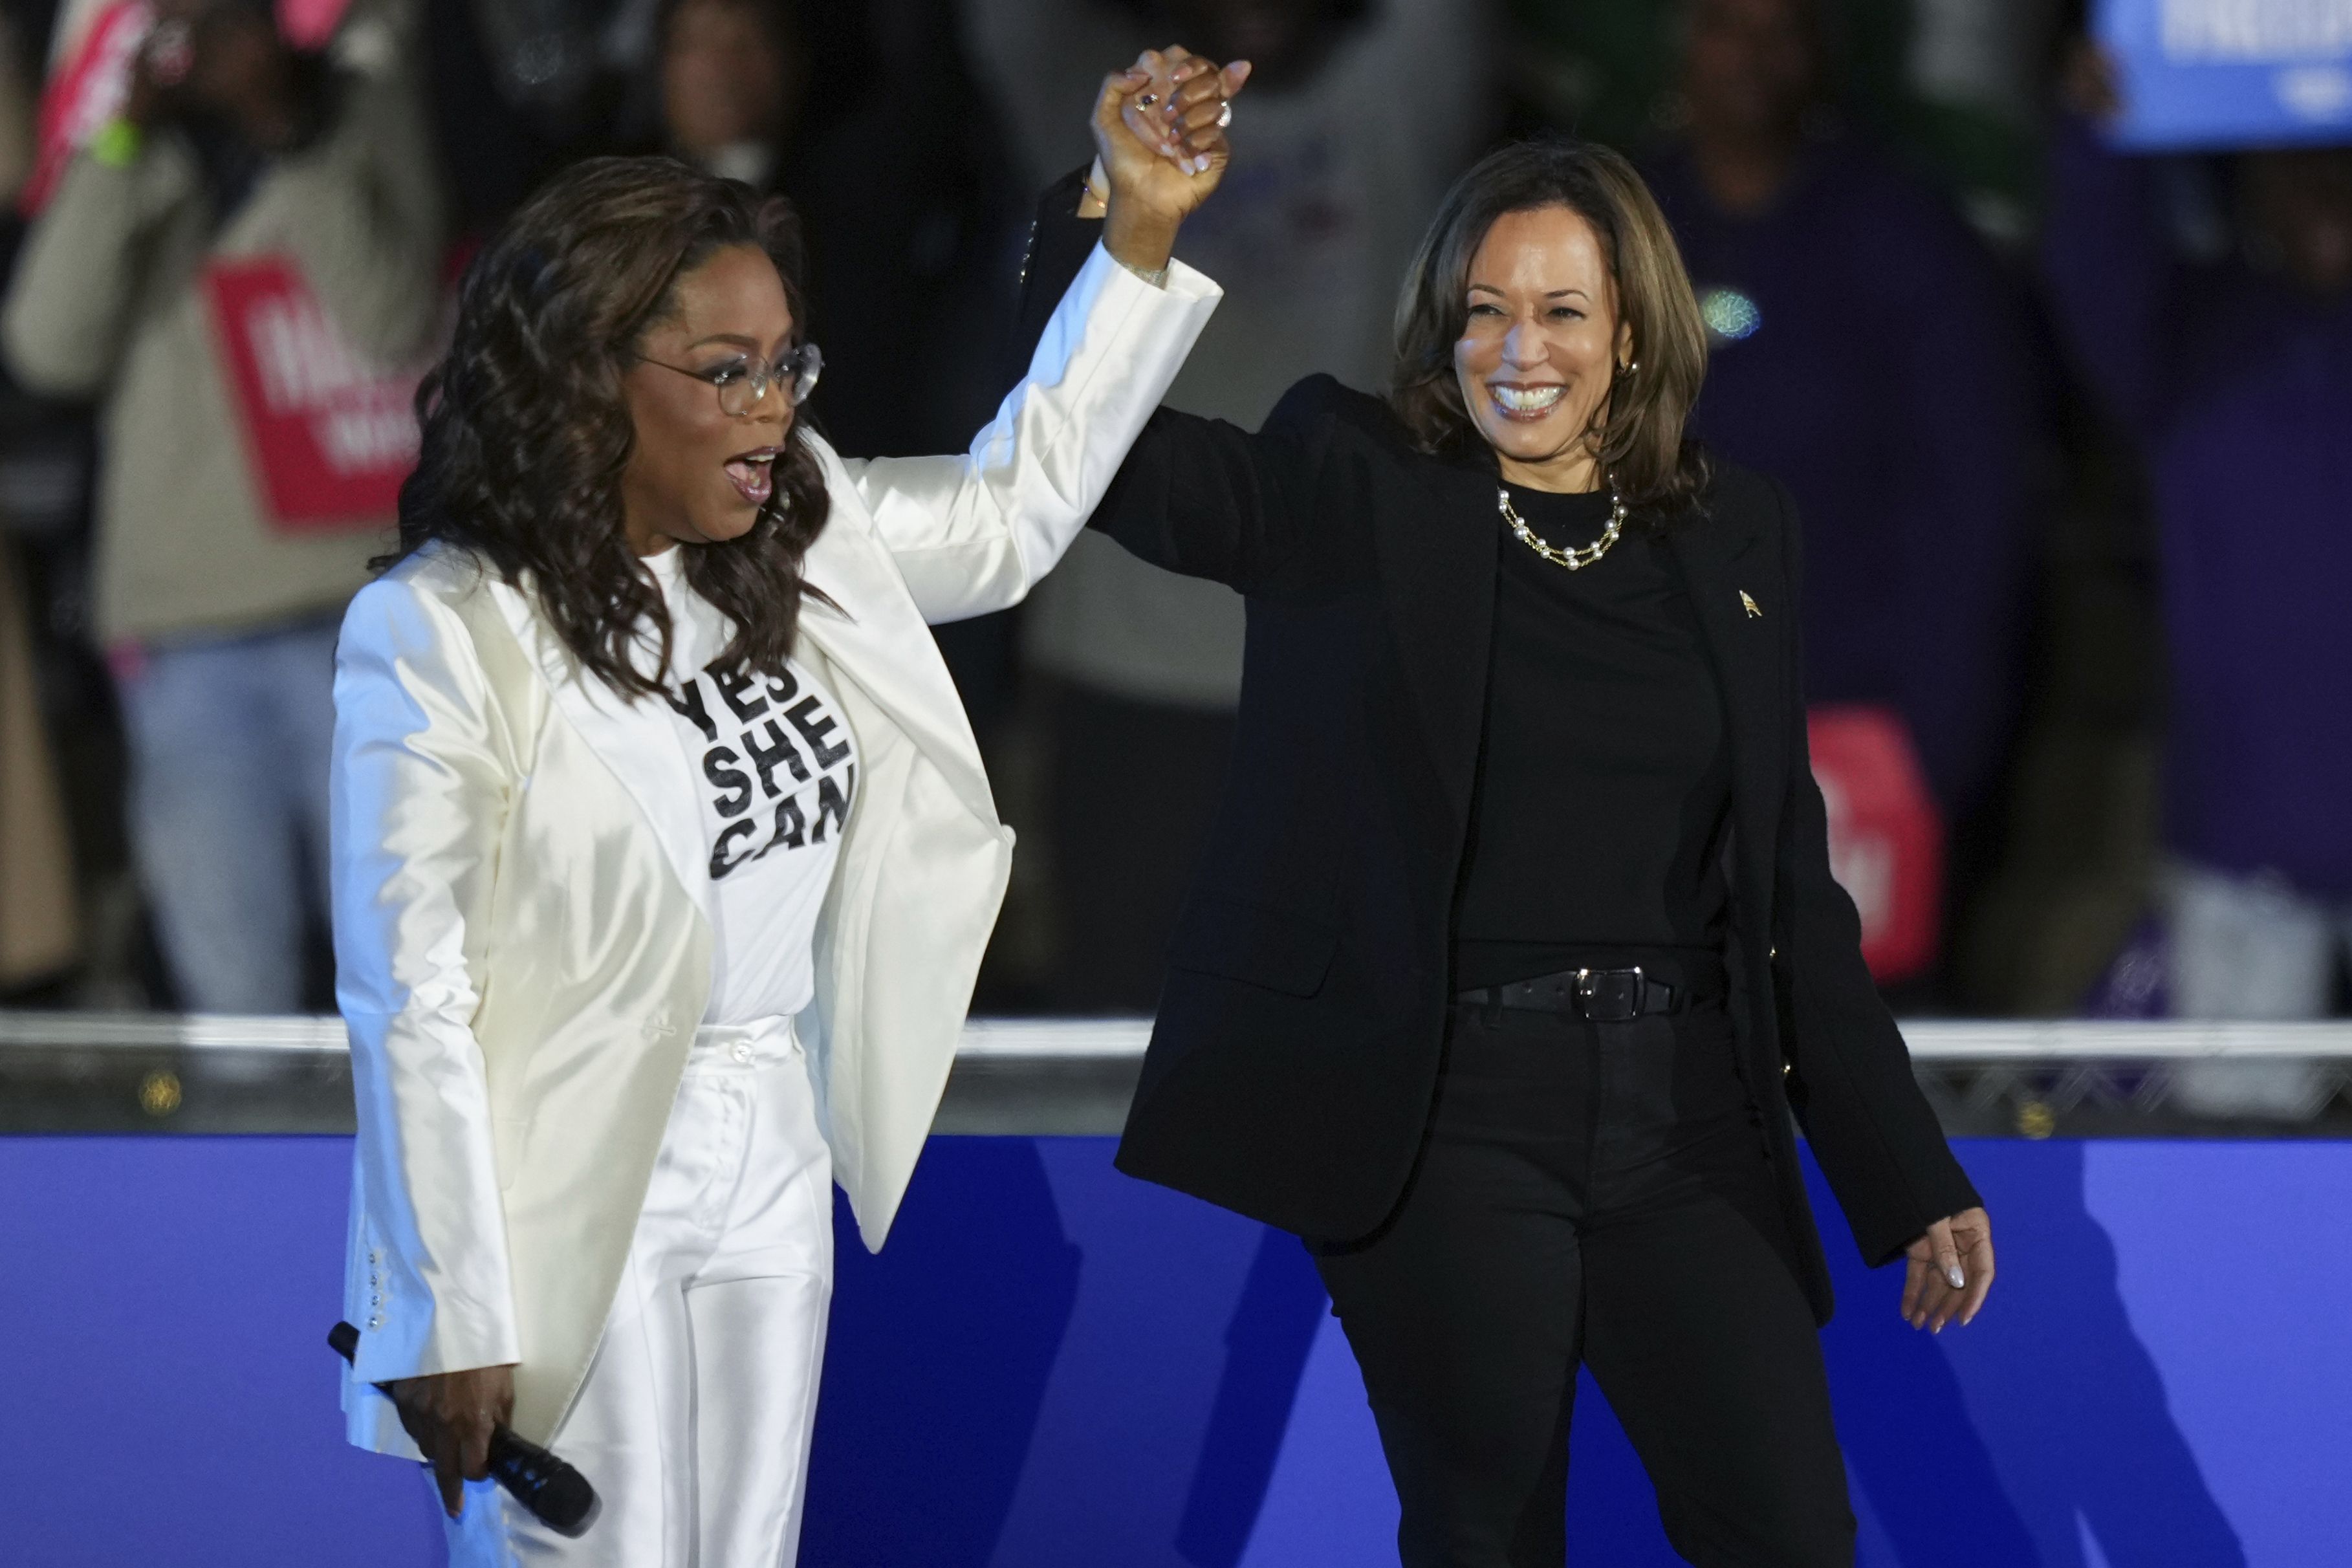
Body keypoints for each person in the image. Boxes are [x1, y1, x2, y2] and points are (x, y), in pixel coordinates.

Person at [1017, 135, 1995, 1565]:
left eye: (1559, 312)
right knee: (1490, 1535)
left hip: (1690, 1118)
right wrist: (1118, 223)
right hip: (1448, 1111)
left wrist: (1905, 1168)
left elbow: (1788, 889)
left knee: (1790, 1532)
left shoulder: (1737, 530)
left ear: (1638, 330)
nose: (1514, 350)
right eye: (1483, 310)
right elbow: (1102, 465)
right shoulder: (1356, 479)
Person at [331, 55, 1239, 1563]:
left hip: (770, 1130)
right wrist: (449, 1298)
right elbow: (408, 990)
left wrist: (1134, 236)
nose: (768, 410)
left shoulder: (794, 531)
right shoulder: (447, 628)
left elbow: (1011, 516)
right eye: (725, 371)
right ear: (585, 373)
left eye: (785, 366)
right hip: (568, 1166)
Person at [966, 0, 1493, 1008]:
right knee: (1115, 1037)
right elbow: (1009, 23)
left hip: (1337, 678)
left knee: (1340, 1040)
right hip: (1120, 679)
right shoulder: (1108, 116)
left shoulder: (1387, 110)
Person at [1, 0, 442, 1012]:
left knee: (410, 987)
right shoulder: (120, 125)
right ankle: (253, 1178)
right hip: (187, 631)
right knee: (234, 1006)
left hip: (361, 613)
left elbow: (389, 318)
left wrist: (287, 128)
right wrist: (129, 144)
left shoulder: (357, 83)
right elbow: (44, 348)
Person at [1639, 0, 2039, 833]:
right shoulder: (1607, 232)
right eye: (1724, 26)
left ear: (1822, 53)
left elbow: (1975, 500)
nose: (1751, 58)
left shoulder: (1908, 239)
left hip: (1851, 747)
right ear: (1681, 44)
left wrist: (1935, 749)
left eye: (1780, 32)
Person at [2043, 45, 2352, 1034]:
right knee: (2240, 1173)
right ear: (2247, 178)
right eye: (2295, 159)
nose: (2326, 184)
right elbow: (2096, 266)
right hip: (2247, 867)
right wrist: (2099, 131)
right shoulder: (2195, 340)